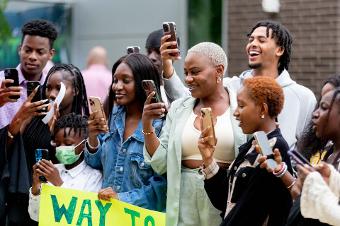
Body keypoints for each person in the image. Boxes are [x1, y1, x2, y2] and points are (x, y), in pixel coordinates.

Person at [161, 20, 317, 149]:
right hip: (236, 179)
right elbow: (186, 102)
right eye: (251, 40)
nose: (253, 44)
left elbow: (309, 148)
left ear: (280, 49)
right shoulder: (230, 87)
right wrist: (168, 65)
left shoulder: (303, 97)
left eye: (261, 40)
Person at [142, 42, 246, 226]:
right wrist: (147, 124)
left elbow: (261, 146)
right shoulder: (178, 108)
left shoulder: (241, 106)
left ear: (219, 71)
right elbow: (160, 163)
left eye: (195, 72)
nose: (188, 79)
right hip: (183, 201)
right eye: (186, 72)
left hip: (226, 199)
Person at [2, 63, 89, 226]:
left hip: (58, 205)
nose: (52, 94)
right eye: (48, 88)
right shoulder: (34, 119)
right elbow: (12, 146)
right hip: (24, 197)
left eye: (59, 88)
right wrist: (21, 117)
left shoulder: (81, 128)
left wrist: (55, 134)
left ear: (75, 91)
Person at [200, 76, 292, 226]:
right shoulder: (256, 143)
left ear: (263, 109)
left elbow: (250, 211)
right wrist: (208, 160)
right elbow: (225, 200)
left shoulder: (273, 149)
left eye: (241, 106)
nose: (235, 113)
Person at [85, 53, 167, 211]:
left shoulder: (161, 126)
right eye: (115, 80)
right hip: (106, 216)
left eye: (126, 80)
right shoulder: (112, 116)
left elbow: (162, 188)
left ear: (144, 84)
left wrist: (121, 199)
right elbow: (95, 164)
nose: (117, 86)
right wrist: (93, 138)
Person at [28, 113, 102, 222]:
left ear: (83, 144)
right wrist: (35, 189)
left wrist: (59, 184)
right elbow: (35, 216)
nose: (61, 148)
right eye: (58, 144)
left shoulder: (94, 177)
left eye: (68, 144)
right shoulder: (52, 170)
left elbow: (85, 219)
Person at [0, 19, 57, 129]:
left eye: (40, 52)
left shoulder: (52, 90)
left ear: (51, 54)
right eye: (27, 50)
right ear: (20, 49)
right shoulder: (1, 82)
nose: (32, 57)